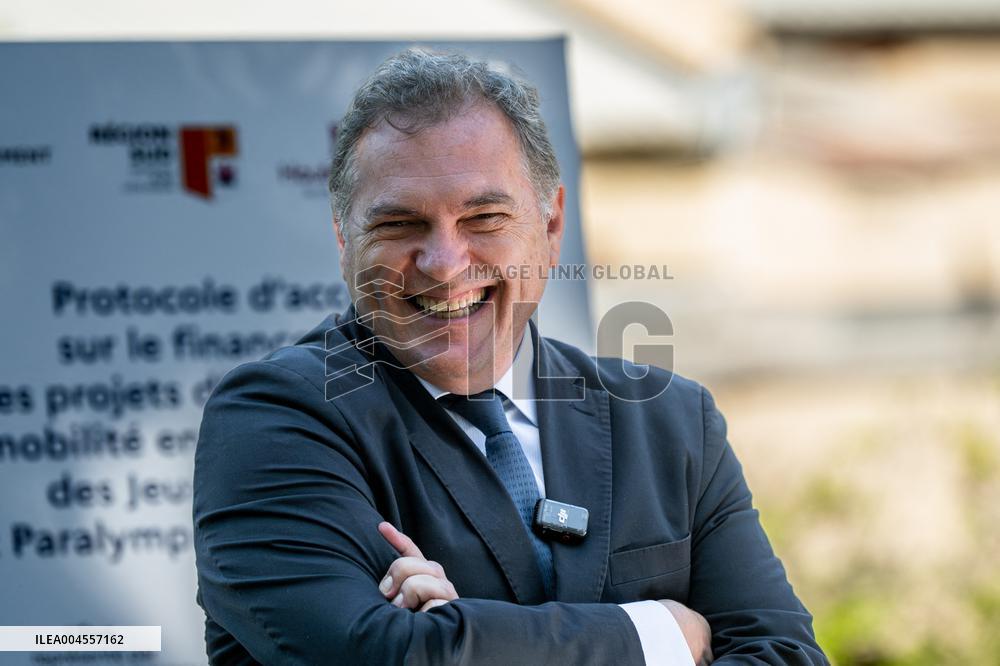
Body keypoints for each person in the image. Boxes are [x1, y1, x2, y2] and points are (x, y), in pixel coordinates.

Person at [193, 48, 827, 665]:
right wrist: (656, 635)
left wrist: (457, 635)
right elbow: (377, 653)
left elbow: (786, 656)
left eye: (484, 218)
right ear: (343, 240)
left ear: (551, 228)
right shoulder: (276, 419)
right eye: (399, 226)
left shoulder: (669, 420)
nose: (444, 263)